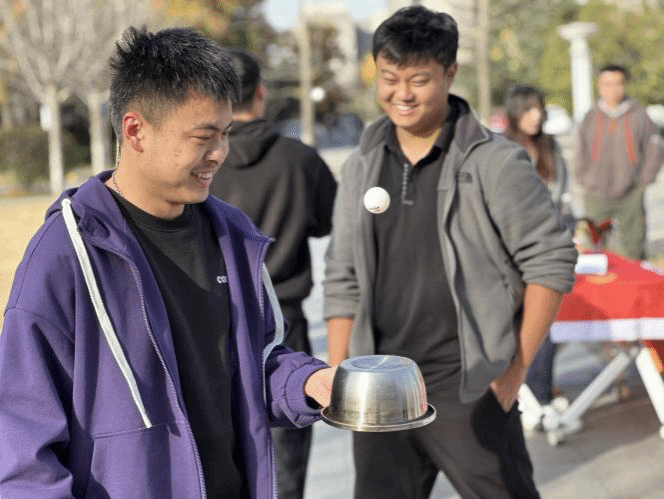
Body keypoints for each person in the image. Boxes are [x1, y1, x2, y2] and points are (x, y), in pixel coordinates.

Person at [0, 26, 334, 499]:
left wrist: (309, 381)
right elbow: (21, 441)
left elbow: (253, 365)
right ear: (135, 130)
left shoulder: (233, 235)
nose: (219, 154)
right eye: (202, 137)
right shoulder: (64, 253)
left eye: (225, 134)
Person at [323, 7, 577, 499]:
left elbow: (550, 261)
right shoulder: (361, 164)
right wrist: (339, 377)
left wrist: (514, 372)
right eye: (389, 78)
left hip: (469, 385)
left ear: (449, 73)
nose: (402, 94)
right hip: (380, 383)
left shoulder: (495, 162)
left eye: (418, 80)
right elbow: (342, 274)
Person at [209, 48, 337, 499]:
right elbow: (329, 221)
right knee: (286, 465)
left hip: (210, 324)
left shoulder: (201, 163)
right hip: (285, 324)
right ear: (260, 94)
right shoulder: (299, 158)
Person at [503, 84, 573, 416]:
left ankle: (539, 395)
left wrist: (569, 230)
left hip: (549, 246)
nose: (535, 116)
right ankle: (525, 395)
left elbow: (564, 196)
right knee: (517, 325)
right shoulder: (501, 148)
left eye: (539, 109)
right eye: (527, 109)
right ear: (514, 112)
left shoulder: (550, 146)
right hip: (512, 248)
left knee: (546, 325)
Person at [575, 63, 663, 260]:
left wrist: (645, 179)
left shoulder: (639, 114)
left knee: (635, 250)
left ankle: (636, 280)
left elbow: (654, 147)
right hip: (596, 194)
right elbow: (580, 150)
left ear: (625, 84)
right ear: (599, 86)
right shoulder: (590, 117)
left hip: (631, 193)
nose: (613, 89)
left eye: (618, 83)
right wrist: (584, 178)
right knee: (595, 250)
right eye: (607, 84)